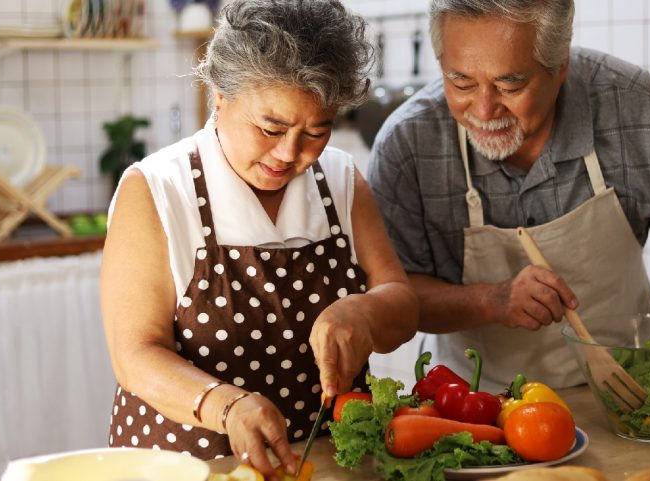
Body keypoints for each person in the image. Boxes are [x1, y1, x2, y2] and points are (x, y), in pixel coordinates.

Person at [99, 1, 418, 478]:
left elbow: (404, 306)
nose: (291, 154)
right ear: (220, 95)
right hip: (191, 465)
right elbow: (135, 355)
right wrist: (226, 406)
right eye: (271, 128)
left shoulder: (340, 181)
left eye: (317, 131)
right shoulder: (158, 190)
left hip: (324, 463)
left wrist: (364, 311)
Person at [366, 0, 650, 390]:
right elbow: (398, 297)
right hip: (476, 405)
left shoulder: (633, 105)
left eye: (509, 84)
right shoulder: (407, 145)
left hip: (629, 394)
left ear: (560, 65)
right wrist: (493, 300)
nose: (484, 108)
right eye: (461, 83)